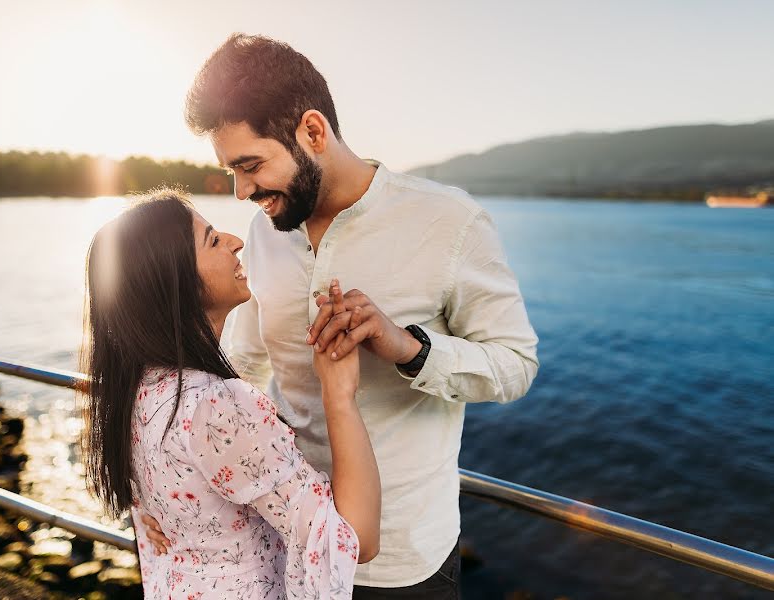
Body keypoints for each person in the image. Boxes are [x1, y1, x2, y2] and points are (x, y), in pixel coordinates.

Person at [144, 34, 540, 598]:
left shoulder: (450, 222)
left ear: (312, 131)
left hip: (403, 564)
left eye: (250, 165)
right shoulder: (264, 231)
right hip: (286, 548)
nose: (241, 191)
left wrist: (409, 347)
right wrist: (176, 488)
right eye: (232, 170)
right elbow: (246, 364)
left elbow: (515, 365)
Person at [80, 189, 381, 599]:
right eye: (213, 240)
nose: (236, 241)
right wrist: (339, 392)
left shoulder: (136, 386)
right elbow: (353, 539)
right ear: (178, 283)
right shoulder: (216, 404)